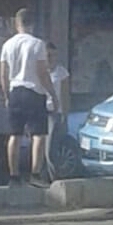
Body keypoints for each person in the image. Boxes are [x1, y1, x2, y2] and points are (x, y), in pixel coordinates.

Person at [0, 8, 57, 188]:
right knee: (38, 135)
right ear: (32, 24)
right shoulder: (38, 44)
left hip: (15, 90)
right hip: (34, 92)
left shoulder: (7, 45)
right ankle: (35, 174)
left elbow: (3, 73)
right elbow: (42, 72)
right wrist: (52, 94)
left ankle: (14, 176)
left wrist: (6, 95)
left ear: (17, 24)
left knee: (14, 135)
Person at [46, 41, 72, 173]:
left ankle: (54, 176)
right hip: (41, 112)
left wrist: (65, 115)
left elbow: (65, 94)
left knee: (51, 148)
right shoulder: (40, 72)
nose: (51, 58)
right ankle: (42, 175)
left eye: (53, 55)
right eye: (48, 55)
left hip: (55, 113)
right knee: (40, 148)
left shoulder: (61, 72)